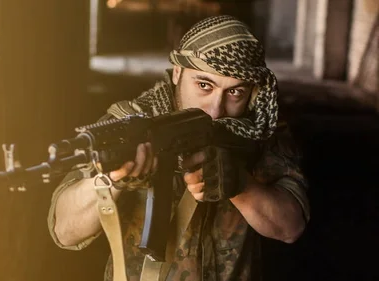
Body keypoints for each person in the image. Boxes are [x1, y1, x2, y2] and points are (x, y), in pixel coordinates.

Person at [47, 15, 310, 281]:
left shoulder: (259, 131)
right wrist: (112, 181)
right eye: (204, 85)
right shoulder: (129, 125)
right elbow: (65, 231)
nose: (215, 110)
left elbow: (290, 227)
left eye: (234, 93)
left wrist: (240, 184)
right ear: (177, 72)